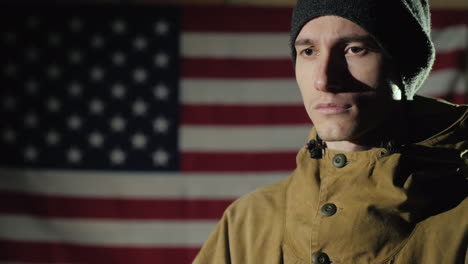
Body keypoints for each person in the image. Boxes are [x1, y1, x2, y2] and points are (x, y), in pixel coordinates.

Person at [193, 0, 468, 263]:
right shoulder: (247, 223)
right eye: (309, 51)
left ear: (403, 64)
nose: (324, 79)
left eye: (355, 49)